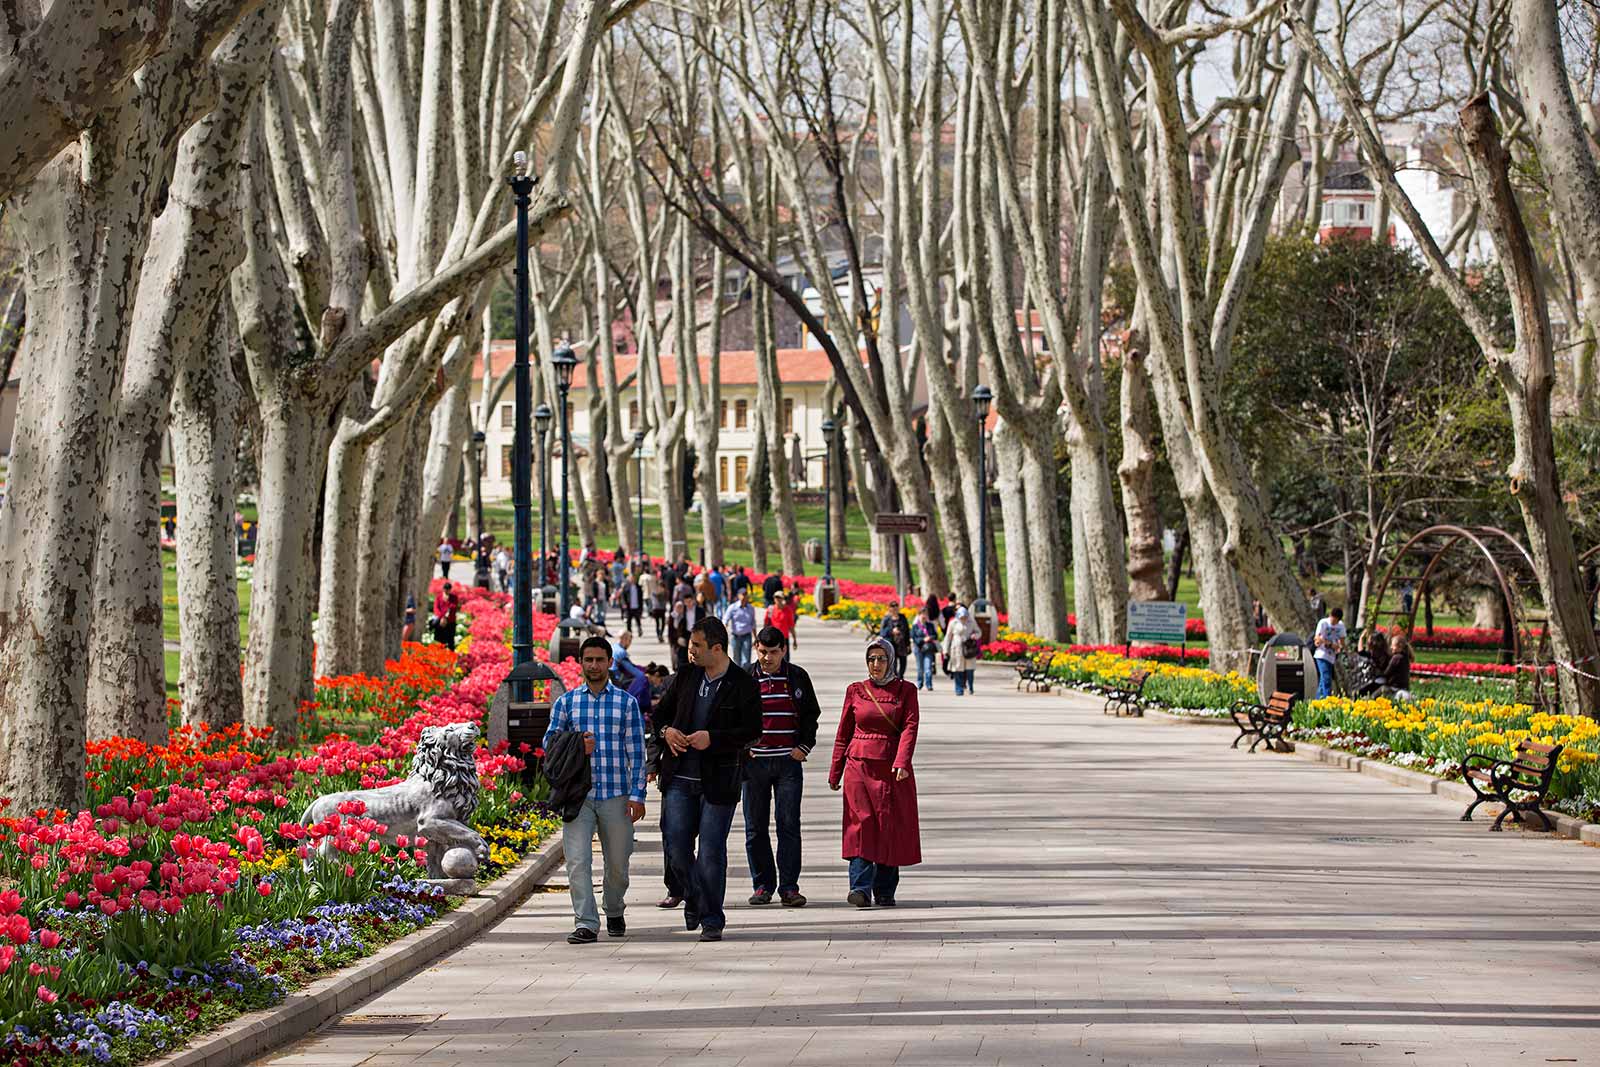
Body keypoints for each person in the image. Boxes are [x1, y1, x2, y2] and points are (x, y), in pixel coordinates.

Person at [652, 618, 763, 942]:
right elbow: (659, 715)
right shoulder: (685, 676)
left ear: (717, 648)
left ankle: (712, 918)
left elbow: (752, 731)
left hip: (719, 781)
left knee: (711, 851)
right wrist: (666, 732)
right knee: (676, 847)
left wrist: (712, 738)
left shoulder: (743, 684)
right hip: (679, 779)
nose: (690, 651)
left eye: (696, 646)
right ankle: (695, 896)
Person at [543, 636, 648, 944]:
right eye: (588, 660)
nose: (594, 665)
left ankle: (614, 909)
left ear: (609, 662)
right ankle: (586, 922)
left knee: (618, 865)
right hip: (578, 797)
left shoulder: (626, 703)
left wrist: (637, 795)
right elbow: (549, 744)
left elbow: (637, 753)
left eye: (600, 659)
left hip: (616, 795)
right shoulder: (567, 703)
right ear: (581, 663)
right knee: (577, 861)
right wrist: (577, 744)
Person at [829, 637, 920, 908]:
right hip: (858, 764)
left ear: (891, 660)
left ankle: (884, 889)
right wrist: (836, 770)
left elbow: (910, 727)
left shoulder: (906, 690)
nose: (876, 664)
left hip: (891, 768)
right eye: (871, 659)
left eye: (881, 659)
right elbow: (843, 732)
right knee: (861, 823)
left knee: (888, 824)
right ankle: (859, 887)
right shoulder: (855, 690)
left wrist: (903, 760)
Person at [744, 626, 822, 908]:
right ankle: (762, 885)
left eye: (773, 652)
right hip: (754, 764)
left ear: (784, 651)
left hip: (788, 763)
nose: (767, 658)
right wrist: (743, 749)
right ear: (755, 648)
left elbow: (811, 714)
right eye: (762, 652)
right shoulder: (744, 677)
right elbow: (729, 716)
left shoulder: (797, 676)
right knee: (755, 827)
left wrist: (804, 747)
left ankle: (789, 887)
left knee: (788, 825)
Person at [941, 606, 979, 695]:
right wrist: (945, 650)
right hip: (956, 648)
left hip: (969, 648)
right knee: (958, 669)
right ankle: (959, 689)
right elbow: (948, 637)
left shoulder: (971, 622)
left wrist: (975, 636)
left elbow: (978, 632)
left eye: (965, 617)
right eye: (962, 617)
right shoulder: (953, 623)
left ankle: (970, 686)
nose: (964, 619)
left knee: (970, 669)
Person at [1313, 606, 1346, 699]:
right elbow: (1317, 638)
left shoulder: (1341, 626)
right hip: (1321, 655)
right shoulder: (1323, 623)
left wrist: (1341, 648)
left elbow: (1342, 641)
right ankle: (1328, 700)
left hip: (1331, 657)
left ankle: (1317, 702)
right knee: (1326, 678)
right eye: (1332, 619)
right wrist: (1329, 644)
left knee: (1323, 681)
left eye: (1335, 621)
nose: (1333, 622)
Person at [723, 589, 758, 669]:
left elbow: (753, 624)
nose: (744, 596)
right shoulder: (732, 607)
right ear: (738, 596)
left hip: (747, 636)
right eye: (742, 594)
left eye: (745, 594)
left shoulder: (751, 609)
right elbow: (725, 621)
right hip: (735, 637)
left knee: (746, 661)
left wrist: (756, 638)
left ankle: (745, 678)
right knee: (736, 660)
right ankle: (738, 679)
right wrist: (724, 635)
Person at [911, 604, 941, 692]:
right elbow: (914, 637)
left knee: (928, 668)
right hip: (919, 649)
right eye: (922, 614)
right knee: (920, 668)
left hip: (928, 649)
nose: (924, 616)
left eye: (926, 614)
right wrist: (923, 640)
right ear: (919, 615)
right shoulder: (915, 626)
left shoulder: (930, 625)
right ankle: (920, 683)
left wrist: (930, 638)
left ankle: (929, 684)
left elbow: (935, 635)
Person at [879, 600, 912, 680]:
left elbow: (907, 631)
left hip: (902, 643)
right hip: (891, 643)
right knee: (893, 663)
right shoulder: (886, 619)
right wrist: (892, 631)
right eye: (892, 607)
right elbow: (882, 633)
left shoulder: (902, 617)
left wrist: (908, 644)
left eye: (896, 607)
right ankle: (895, 677)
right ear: (889, 608)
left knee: (903, 661)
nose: (895, 609)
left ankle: (901, 676)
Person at [432, 583, 460, 649]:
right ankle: (441, 656)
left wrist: (445, 617)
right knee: (441, 640)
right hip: (441, 622)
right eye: (445, 589)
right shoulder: (439, 597)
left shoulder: (454, 597)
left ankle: (451, 655)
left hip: (450, 621)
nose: (446, 591)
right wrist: (442, 617)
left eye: (448, 589)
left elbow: (453, 607)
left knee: (451, 640)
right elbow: (436, 608)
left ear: (450, 590)